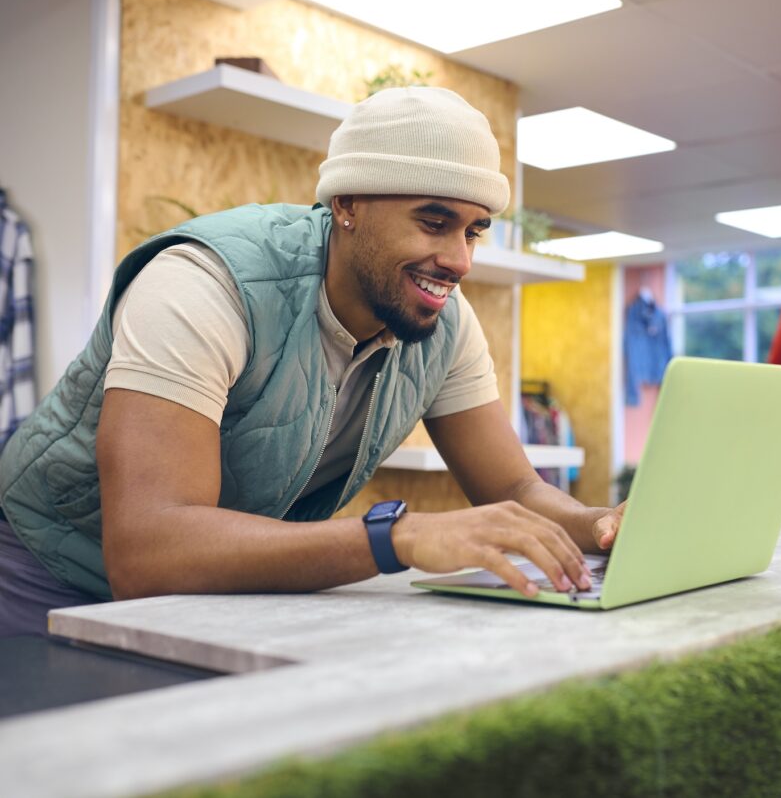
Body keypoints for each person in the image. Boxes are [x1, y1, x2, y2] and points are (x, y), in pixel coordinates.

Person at [0, 87, 624, 637]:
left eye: (473, 230)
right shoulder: (205, 283)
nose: (460, 260)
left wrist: (603, 525)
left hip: (203, 593)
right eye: (434, 222)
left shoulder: (445, 326)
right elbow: (148, 551)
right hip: (44, 575)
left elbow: (514, 488)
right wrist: (397, 535)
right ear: (347, 205)